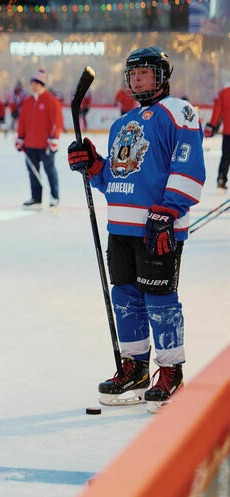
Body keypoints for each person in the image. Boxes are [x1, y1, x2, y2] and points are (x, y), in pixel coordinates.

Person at [67, 46, 205, 414]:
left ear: (163, 76)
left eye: (147, 72)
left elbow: (188, 166)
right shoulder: (120, 124)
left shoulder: (180, 113)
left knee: (160, 302)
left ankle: (170, 371)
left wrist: (167, 212)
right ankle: (135, 367)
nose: (140, 78)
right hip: (121, 227)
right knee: (125, 300)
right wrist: (93, 166)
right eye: (135, 73)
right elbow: (117, 178)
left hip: (157, 227)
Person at [15, 69, 63, 208]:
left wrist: (54, 138)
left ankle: (54, 197)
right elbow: (22, 121)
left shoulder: (51, 101)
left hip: (45, 144)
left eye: (37, 84)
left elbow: (56, 122)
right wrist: (20, 138)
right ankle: (36, 198)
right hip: (30, 144)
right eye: (32, 84)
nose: (34, 86)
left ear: (42, 84)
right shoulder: (27, 102)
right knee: (33, 172)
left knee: (49, 170)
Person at [204, 83, 230, 190]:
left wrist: (212, 126)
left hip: (228, 131)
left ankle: (221, 178)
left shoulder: (224, 93)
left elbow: (217, 111)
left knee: (226, 157)